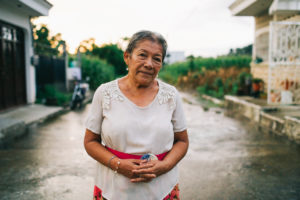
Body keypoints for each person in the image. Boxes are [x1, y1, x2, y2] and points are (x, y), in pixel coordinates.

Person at [84, 30, 189, 200]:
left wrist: (164, 166)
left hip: (162, 189)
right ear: (127, 57)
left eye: (157, 58)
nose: (149, 64)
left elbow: (182, 141)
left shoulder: (171, 95)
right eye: (142, 55)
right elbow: (90, 142)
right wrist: (118, 164)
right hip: (113, 189)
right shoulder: (105, 93)